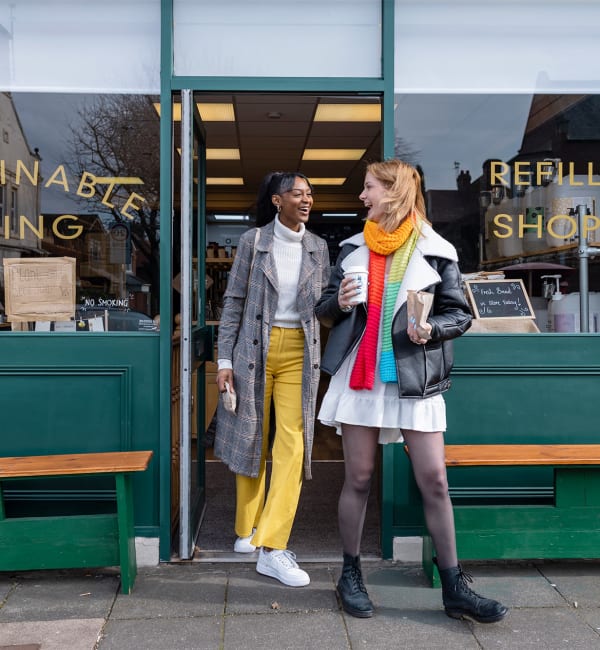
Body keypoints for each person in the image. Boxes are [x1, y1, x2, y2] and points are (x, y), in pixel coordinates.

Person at [315, 159, 508, 623]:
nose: (361, 197)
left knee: (435, 481)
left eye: (368, 188)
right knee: (358, 478)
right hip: (361, 377)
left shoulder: (437, 250)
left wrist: (430, 330)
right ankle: (350, 574)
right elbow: (322, 307)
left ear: (395, 191)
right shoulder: (350, 249)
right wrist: (337, 303)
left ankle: (455, 585)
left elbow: (459, 314)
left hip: (414, 377)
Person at [214, 171, 330, 587]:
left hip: (300, 350)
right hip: (253, 349)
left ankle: (273, 545)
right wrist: (223, 358)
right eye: (298, 193)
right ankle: (247, 527)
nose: (307, 199)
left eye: (310, 193)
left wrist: (344, 303)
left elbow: (325, 306)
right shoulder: (253, 241)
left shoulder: (319, 247)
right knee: (251, 434)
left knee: (292, 443)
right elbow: (233, 302)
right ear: (277, 200)